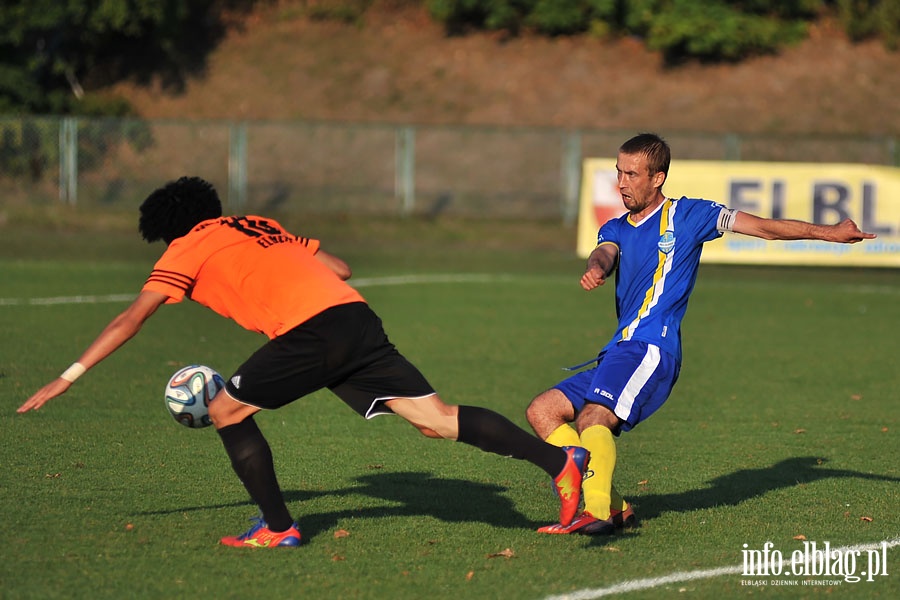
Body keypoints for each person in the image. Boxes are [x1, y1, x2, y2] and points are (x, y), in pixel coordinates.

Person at [17, 176, 590, 548]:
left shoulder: (186, 246)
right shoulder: (260, 226)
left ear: (168, 229)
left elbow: (131, 318)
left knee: (225, 411)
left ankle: (277, 527)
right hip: (354, 318)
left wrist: (67, 376)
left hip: (311, 332)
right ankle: (559, 462)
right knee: (435, 420)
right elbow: (338, 268)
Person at [525, 133, 876, 536]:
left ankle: (598, 510)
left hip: (652, 348)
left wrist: (829, 233)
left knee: (593, 417)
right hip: (619, 350)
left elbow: (763, 228)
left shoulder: (691, 215)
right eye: (619, 173)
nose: (621, 182)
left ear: (657, 178)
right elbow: (605, 251)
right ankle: (617, 506)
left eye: (631, 174)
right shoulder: (616, 226)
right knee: (543, 410)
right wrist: (598, 268)